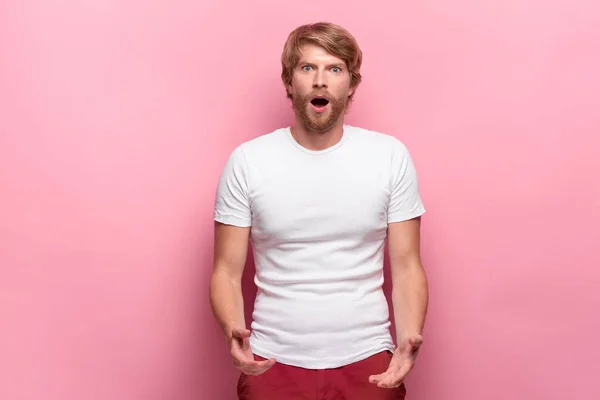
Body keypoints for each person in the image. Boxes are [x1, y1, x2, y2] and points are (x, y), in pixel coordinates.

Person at [209, 21, 429, 400]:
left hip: (368, 360)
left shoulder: (390, 157)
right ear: (289, 82)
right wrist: (234, 331)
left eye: (334, 69)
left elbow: (407, 266)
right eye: (307, 68)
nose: (320, 80)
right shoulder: (248, 161)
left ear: (351, 84)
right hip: (272, 361)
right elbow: (226, 271)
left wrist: (406, 342)